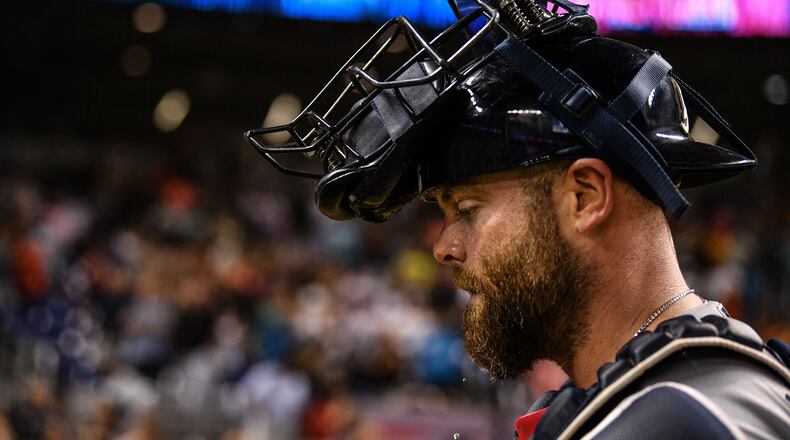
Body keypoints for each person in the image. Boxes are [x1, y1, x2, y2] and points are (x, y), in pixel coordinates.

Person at [245, 1, 790, 438]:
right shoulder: (691, 383)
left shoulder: (678, 419)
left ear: (585, 197)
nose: (444, 248)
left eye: (467, 209)